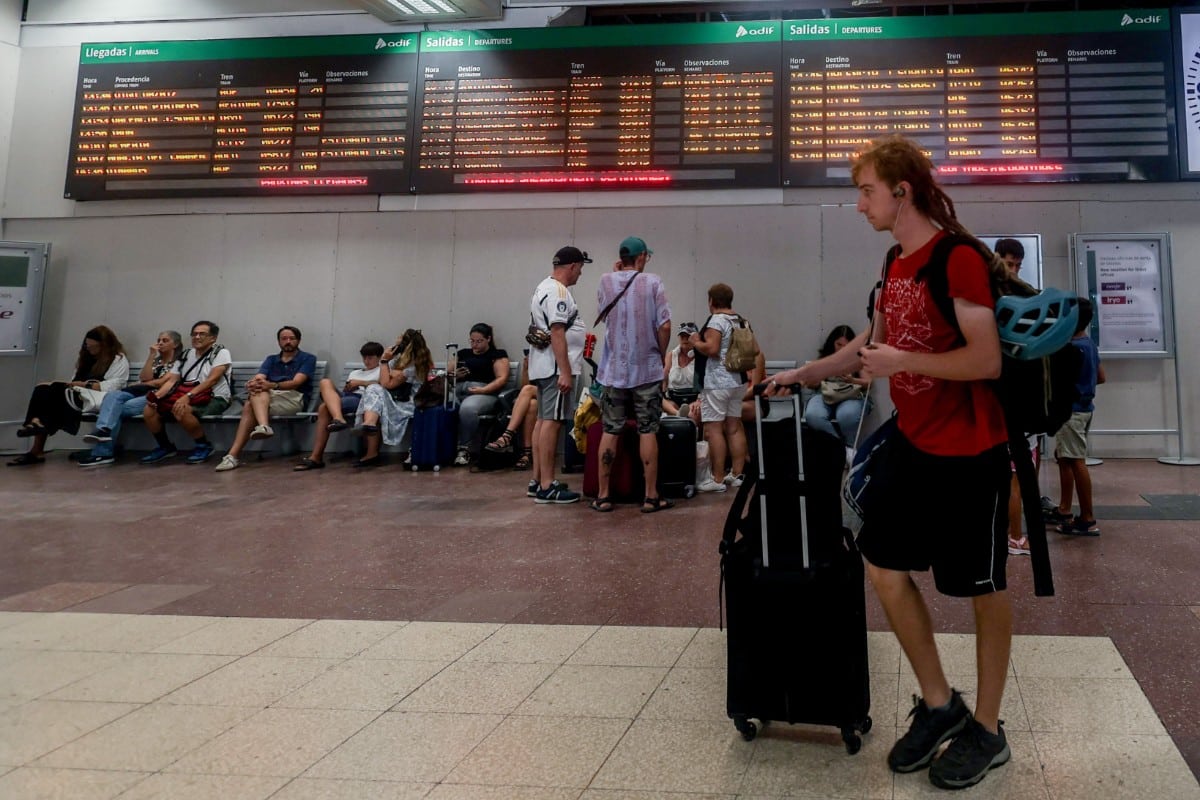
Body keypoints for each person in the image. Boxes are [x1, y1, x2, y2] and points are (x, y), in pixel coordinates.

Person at [769, 135, 1013, 790]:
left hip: (971, 452)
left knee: (984, 590)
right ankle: (941, 705)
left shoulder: (956, 259)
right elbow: (870, 346)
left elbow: (984, 361)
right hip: (915, 442)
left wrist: (904, 363)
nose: (859, 205)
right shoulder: (895, 261)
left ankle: (988, 729)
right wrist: (803, 371)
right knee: (882, 565)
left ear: (902, 192)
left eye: (867, 191)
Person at [591, 235, 673, 513]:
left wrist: (616, 274)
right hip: (646, 370)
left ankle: (603, 496)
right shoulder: (653, 282)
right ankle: (650, 497)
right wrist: (660, 354)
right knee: (648, 429)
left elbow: (604, 311)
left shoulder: (605, 281)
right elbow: (664, 325)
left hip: (614, 371)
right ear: (640, 258)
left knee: (610, 429)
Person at [9, 326, 130, 466]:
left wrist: (85, 385)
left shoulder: (117, 359)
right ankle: (36, 426)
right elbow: (73, 380)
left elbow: (115, 386)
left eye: (92, 346)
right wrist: (75, 385)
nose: (88, 349)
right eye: (87, 345)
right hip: (76, 396)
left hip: (97, 398)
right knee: (42, 388)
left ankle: (36, 440)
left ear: (103, 345)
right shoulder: (86, 359)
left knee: (49, 394)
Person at [528, 245, 589, 504]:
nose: (580, 275)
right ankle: (547, 485)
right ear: (572, 266)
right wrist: (565, 371)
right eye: (581, 269)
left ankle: (538, 479)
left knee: (543, 420)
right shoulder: (559, 292)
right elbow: (557, 332)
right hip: (555, 368)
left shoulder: (544, 286)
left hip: (544, 365)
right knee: (551, 423)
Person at [215, 325, 316, 472]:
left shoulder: (307, 358)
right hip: (269, 397)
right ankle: (258, 431)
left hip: (294, 397)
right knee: (253, 398)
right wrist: (253, 383)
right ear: (278, 342)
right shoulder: (271, 359)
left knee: (253, 400)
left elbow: (296, 383)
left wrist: (271, 385)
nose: (288, 341)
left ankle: (233, 455)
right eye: (284, 339)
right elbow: (260, 377)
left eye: (292, 338)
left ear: (298, 340)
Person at [78, 330, 183, 467]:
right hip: (137, 392)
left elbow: (160, 383)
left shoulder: (180, 362)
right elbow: (145, 377)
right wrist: (151, 355)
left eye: (165, 341)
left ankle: (102, 452)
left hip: (157, 396)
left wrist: (144, 384)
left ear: (175, 344)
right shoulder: (156, 361)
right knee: (112, 396)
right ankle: (103, 432)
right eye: (159, 340)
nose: (160, 343)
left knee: (114, 409)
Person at [140, 320, 232, 465]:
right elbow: (172, 380)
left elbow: (212, 380)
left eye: (202, 334)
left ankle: (203, 445)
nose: (197, 337)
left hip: (215, 397)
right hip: (187, 394)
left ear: (213, 338)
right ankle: (165, 446)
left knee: (181, 409)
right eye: (194, 334)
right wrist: (157, 397)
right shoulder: (186, 354)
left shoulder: (221, 352)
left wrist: (187, 397)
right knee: (149, 410)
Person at [1050, 298, 1106, 536]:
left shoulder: (1072, 348)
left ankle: (1087, 517)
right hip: (1085, 408)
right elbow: (1101, 377)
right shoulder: (1089, 344)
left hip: (1071, 412)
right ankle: (1064, 508)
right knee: (1065, 459)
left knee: (1076, 461)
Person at [690, 283, 752, 493]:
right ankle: (736, 474)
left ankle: (716, 479)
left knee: (714, 430)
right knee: (734, 427)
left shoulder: (717, 320)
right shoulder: (741, 321)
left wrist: (696, 341)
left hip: (717, 382)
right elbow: (756, 349)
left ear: (712, 301)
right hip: (738, 381)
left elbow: (712, 348)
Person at [294, 341, 384, 471]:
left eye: (370, 358)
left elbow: (382, 385)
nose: (366, 361)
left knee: (323, 408)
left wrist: (361, 383)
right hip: (348, 397)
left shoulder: (381, 370)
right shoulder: (355, 373)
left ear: (379, 357)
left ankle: (316, 456)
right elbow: (346, 392)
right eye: (364, 357)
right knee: (325, 382)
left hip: (365, 399)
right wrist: (349, 387)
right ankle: (338, 419)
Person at [355, 329, 431, 468]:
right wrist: (391, 370)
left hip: (409, 403)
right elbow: (381, 379)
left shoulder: (415, 365)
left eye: (399, 339)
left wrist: (384, 361)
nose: (395, 341)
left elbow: (386, 383)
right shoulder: (398, 360)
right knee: (373, 390)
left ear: (404, 345)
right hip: (395, 397)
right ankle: (369, 425)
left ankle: (370, 424)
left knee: (373, 391)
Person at [452, 323, 510, 466]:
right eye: (472, 341)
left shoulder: (497, 354)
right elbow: (449, 372)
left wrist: (483, 390)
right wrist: (455, 375)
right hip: (459, 388)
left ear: (488, 339)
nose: (475, 345)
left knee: (468, 408)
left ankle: (464, 447)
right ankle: (444, 446)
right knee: (445, 404)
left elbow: (502, 378)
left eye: (479, 341)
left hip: (485, 391)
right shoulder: (463, 354)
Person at [803, 325, 870, 448]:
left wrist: (852, 380)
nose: (842, 349)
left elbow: (868, 382)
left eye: (846, 346)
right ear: (832, 343)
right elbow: (810, 384)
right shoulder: (826, 358)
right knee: (813, 415)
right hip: (824, 393)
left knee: (847, 415)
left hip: (850, 395)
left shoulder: (858, 358)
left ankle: (849, 447)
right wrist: (822, 376)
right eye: (839, 344)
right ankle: (840, 447)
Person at [484, 352, 537, 471]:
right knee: (532, 405)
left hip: (554, 393)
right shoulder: (537, 358)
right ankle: (527, 453)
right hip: (537, 397)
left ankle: (507, 435)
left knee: (528, 390)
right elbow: (524, 386)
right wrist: (526, 369)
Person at [660, 323, 697, 417]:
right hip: (674, 397)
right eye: (682, 336)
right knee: (659, 399)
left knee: (694, 411)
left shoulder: (701, 356)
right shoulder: (671, 355)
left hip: (694, 397)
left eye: (688, 336)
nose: (685, 339)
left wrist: (699, 400)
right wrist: (663, 393)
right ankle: (678, 414)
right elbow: (664, 376)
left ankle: (687, 417)